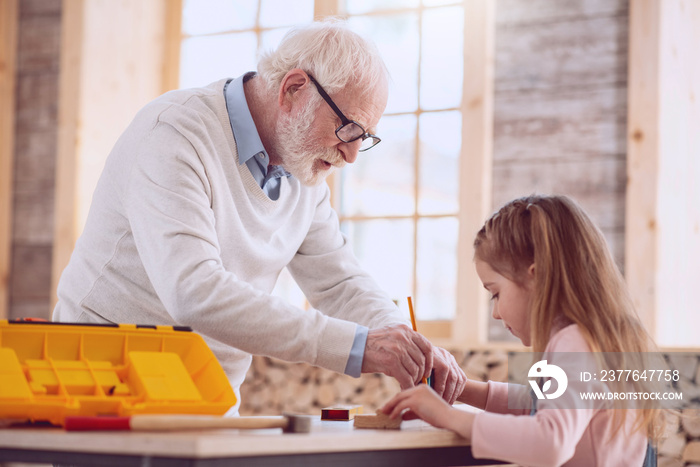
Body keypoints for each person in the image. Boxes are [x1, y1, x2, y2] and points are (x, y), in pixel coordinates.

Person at [52, 20, 466, 412]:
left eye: (365, 138)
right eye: (347, 129)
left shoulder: (303, 171)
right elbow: (194, 291)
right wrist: (359, 346)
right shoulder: (175, 133)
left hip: (203, 400)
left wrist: (408, 344)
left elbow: (340, 282)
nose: (352, 155)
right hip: (100, 389)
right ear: (293, 89)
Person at [381, 195, 664, 466]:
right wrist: (463, 390)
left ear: (537, 276)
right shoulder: (598, 339)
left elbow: (550, 442)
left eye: (495, 293)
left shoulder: (574, 342)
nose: (495, 312)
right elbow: (538, 402)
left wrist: (447, 416)